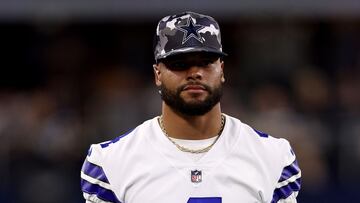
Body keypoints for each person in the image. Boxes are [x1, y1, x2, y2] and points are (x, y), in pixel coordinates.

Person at [80, 11, 301, 203]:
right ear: (157, 74)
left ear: (221, 70)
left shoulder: (273, 156)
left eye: (206, 62)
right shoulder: (110, 161)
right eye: (179, 64)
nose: (194, 72)